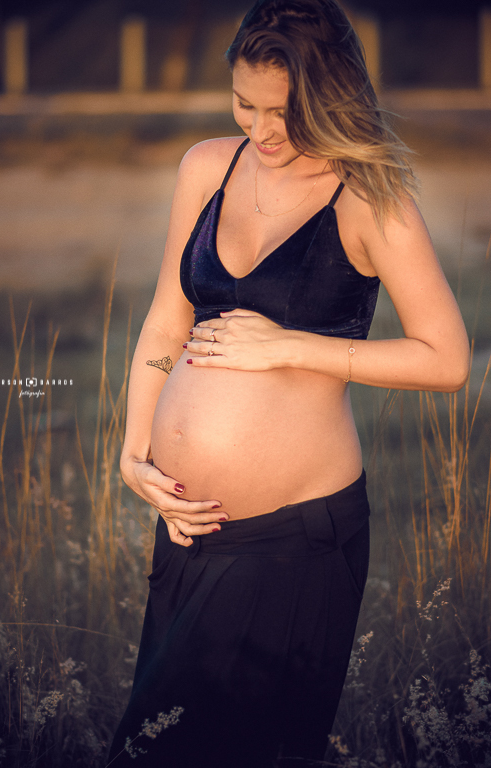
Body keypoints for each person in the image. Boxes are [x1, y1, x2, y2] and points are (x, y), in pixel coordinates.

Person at [107, 1, 469, 766]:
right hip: (186, 530)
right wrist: (135, 454)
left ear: (329, 95)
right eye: (246, 105)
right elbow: (167, 322)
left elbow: (446, 359)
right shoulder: (208, 168)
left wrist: (292, 347)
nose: (263, 130)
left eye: (285, 111)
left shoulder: (368, 196)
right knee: (162, 743)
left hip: (293, 542)